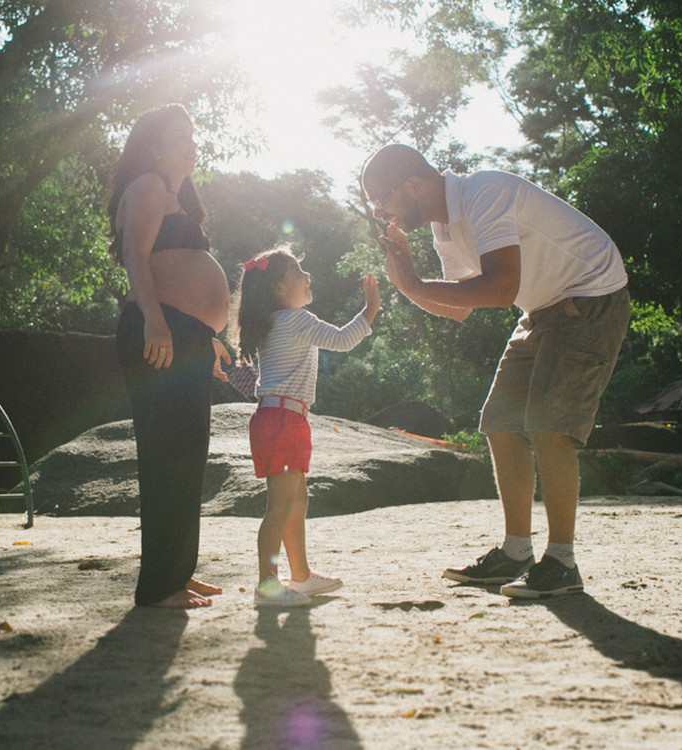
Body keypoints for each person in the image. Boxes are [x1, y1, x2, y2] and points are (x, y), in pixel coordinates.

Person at [361, 143, 629, 599]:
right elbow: (460, 310)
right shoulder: (443, 231)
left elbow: (501, 289)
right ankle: (516, 551)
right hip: (542, 309)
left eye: (381, 199)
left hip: (591, 296)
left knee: (549, 427)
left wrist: (416, 283)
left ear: (413, 185)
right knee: (501, 425)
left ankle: (562, 562)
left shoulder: (485, 192)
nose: (380, 211)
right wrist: (407, 282)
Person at [107, 103, 232, 609]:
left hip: (186, 336)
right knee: (166, 457)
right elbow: (136, 256)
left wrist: (207, 334)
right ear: (155, 145)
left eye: (193, 132)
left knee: (187, 457)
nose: (192, 142)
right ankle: (159, 586)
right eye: (180, 134)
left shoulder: (177, 198)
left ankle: (177, 572)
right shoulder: (150, 186)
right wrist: (157, 321)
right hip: (159, 330)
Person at [230, 247, 381, 607]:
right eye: (300, 271)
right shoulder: (296, 320)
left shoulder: (274, 323)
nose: (308, 276)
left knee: (296, 500)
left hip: (283, 418)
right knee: (281, 506)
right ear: (278, 288)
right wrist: (370, 308)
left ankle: (300, 577)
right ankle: (267, 586)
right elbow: (343, 340)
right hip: (283, 420)